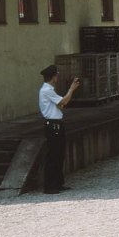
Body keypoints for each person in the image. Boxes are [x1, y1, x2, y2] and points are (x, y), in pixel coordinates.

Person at [39, 64, 80, 194]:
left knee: (59, 154)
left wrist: (63, 100)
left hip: (55, 124)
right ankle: (50, 185)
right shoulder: (47, 90)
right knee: (54, 155)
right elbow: (63, 102)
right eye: (56, 75)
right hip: (53, 125)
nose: (58, 77)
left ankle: (57, 183)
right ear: (53, 77)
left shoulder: (49, 89)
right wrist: (71, 89)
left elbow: (61, 104)